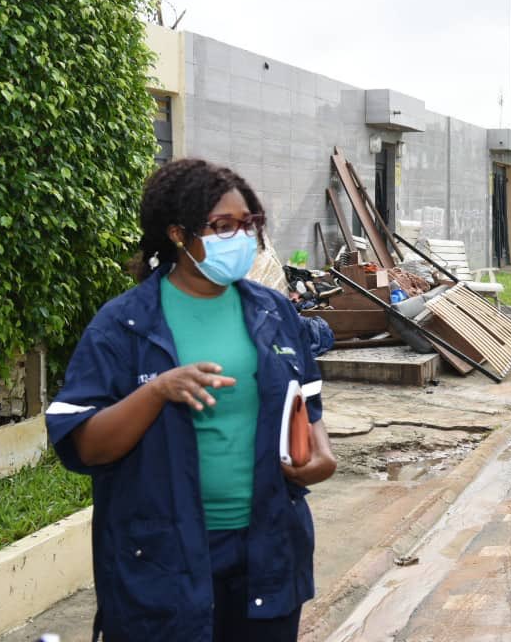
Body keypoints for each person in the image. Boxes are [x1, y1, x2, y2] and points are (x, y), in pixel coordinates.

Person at [46, 159, 336, 642]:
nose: (241, 238)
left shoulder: (273, 312)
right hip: (161, 559)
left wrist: (320, 456)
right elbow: (84, 447)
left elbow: (306, 405)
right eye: (223, 227)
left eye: (249, 225)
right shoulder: (124, 324)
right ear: (179, 234)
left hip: (265, 553)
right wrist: (156, 391)